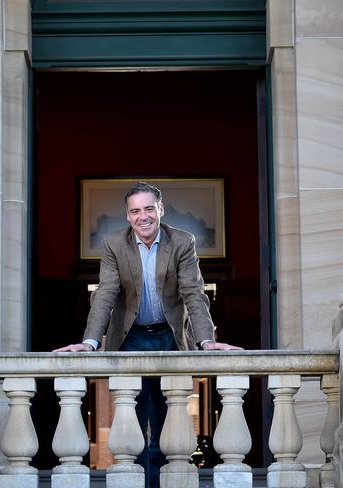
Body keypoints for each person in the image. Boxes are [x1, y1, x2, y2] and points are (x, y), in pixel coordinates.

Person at [54, 181, 241, 488]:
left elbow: (193, 292)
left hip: (170, 338)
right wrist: (89, 342)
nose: (143, 217)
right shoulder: (114, 244)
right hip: (132, 339)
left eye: (149, 209)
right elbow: (106, 294)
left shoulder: (182, 241)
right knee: (134, 422)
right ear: (128, 216)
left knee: (169, 418)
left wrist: (206, 340)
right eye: (136, 211)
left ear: (160, 210)